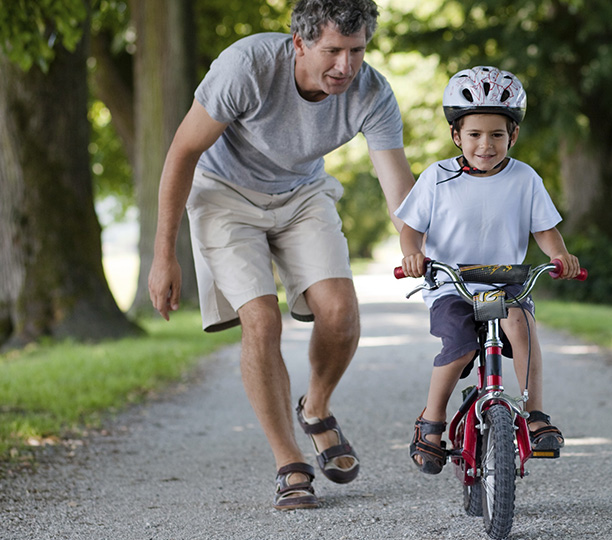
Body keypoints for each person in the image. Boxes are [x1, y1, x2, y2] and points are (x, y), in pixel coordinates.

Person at [147, 0, 414, 510]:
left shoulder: (372, 91)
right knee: (262, 321)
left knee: (340, 311)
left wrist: (415, 245)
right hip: (225, 195)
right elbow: (182, 151)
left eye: (357, 51)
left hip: (301, 194)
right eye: (333, 50)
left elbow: (397, 190)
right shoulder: (246, 68)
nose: (346, 66)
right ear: (299, 42)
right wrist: (165, 255)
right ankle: (289, 462)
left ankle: (316, 408)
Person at [396, 66, 580, 474]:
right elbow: (411, 230)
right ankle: (432, 421)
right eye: (475, 134)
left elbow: (546, 231)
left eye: (497, 134)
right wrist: (412, 254)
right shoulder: (437, 178)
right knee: (459, 346)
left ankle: (535, 415)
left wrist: (561, 256)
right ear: (456, 136)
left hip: (507, 282)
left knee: (522, 325)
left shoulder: (525, 178)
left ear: (512, 136)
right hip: (451, 283)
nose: (486, 144)